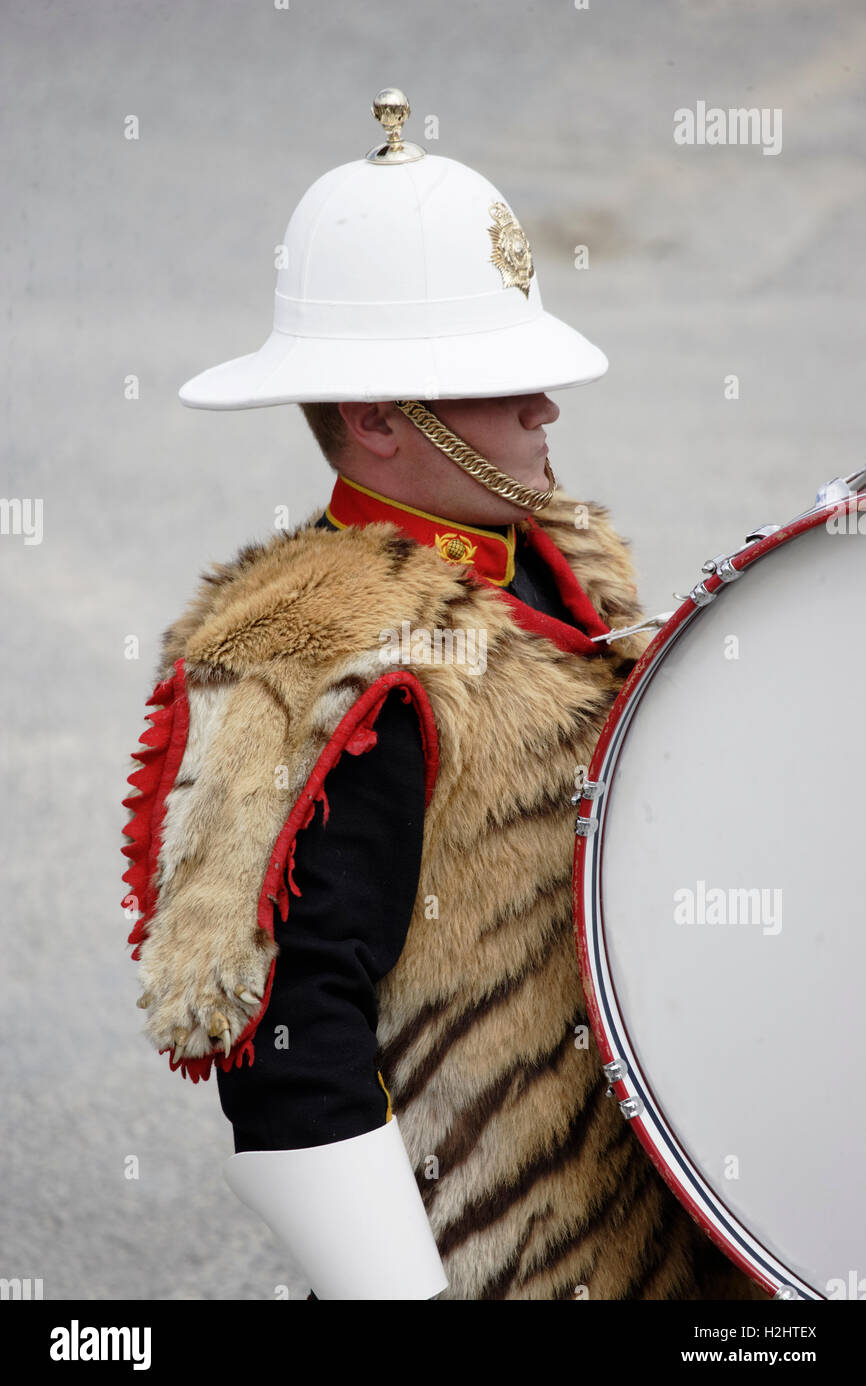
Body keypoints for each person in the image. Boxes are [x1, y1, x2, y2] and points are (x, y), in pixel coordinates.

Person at [121, 89, 766, 1301]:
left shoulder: (551, 555)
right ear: (374, 419)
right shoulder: (335, 666)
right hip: (505, 1254)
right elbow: (287, 1047)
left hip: (651, 1212)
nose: (543, 406)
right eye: (492, 381)